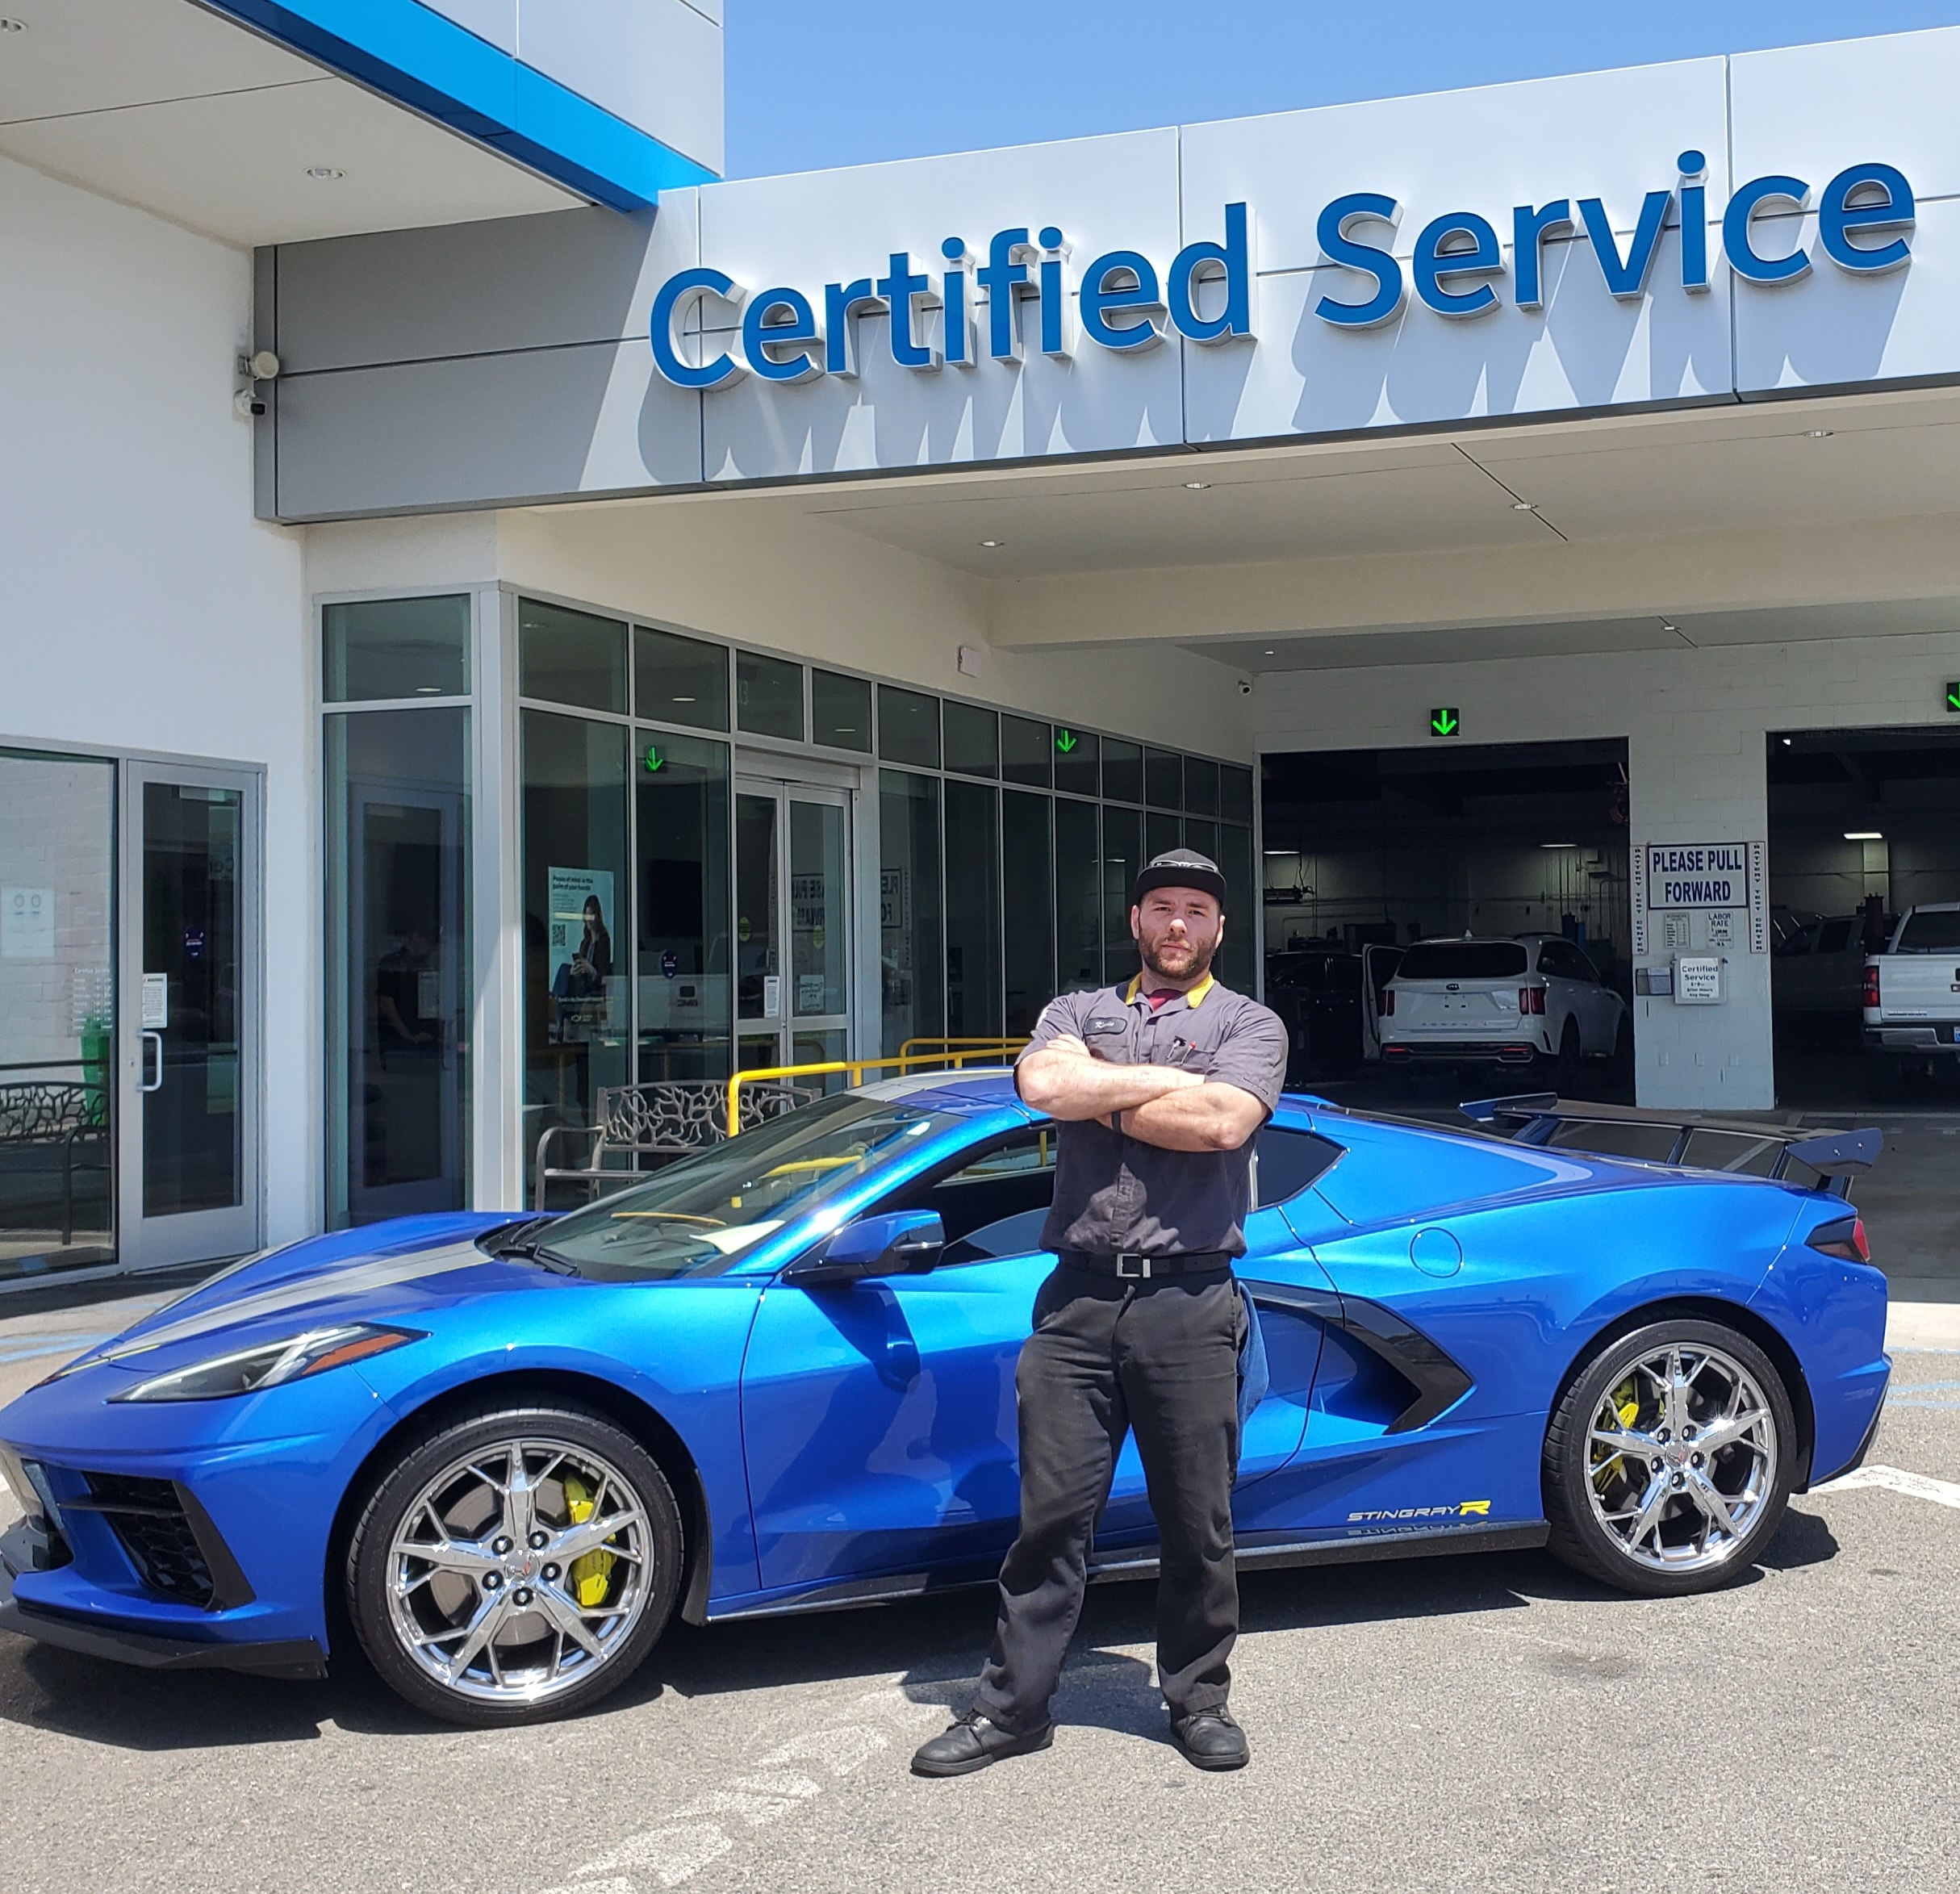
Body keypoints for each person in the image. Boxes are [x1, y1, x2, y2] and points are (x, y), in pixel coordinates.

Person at [912, 848, 1287, 1779]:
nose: (1175, 925)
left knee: (1195, 1522)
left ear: (1218, 928)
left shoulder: (1252, 1024)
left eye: (1194, 911)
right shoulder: (1076, 1012)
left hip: (1189, 1301)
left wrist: (1101, 1098)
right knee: (1048, 1521)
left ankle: (1196, 1699)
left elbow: (1221, 1126)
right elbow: (1043, 1087)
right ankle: (1013, 1710)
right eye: (1159, 906)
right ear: (1134, 919)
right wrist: (1157, 1087)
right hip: (1074, 1300)